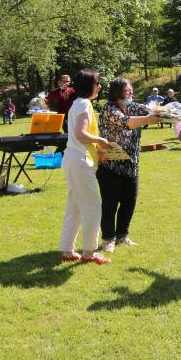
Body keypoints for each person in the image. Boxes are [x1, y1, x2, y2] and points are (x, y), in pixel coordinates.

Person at [97, 78, 159, 253]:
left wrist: (176, 113)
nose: (131, 93)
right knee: (110, 204)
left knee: (129, 202)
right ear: (117, 92)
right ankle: (108, 239)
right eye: (127, 91)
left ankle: (122, 236)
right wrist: (148, 119)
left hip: (132, 164)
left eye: (131, 90)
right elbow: (127, 122)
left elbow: (153, 111)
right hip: (110, 165)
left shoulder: (134, 106)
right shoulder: (109, 109)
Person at [60, 70, 113, 264]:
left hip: (74, 160)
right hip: (80, 162)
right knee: (93, 208)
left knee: (74, 208)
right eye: (97, 83)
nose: (99, 86)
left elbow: (79, 137)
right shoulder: (84, 103)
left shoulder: (77, 103)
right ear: (88, 86)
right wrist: (101, 141)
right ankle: (89, 253)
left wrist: (97, 149)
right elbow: (81, 134)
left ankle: (67, 251)